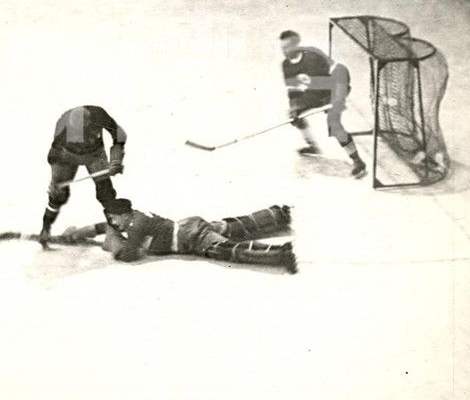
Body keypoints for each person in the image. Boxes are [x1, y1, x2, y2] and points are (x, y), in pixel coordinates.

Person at [60, 198, 298, 274]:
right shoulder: (134, 219)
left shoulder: (135, 225)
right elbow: (101, 227)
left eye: (114, 218)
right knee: (233, 226)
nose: (112, 222)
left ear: (124, 214)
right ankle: (277, 215)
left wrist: (113, 243)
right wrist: (77, 233)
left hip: (191, 238)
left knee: (226, 249)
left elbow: (129, 254)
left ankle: (281, 254)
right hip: (190, 227)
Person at [280, 30, 366, 178]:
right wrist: (295, 107)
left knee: (334, 123)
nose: (284, 52)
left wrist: (339, 97)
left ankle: (357, 161)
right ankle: (312, 146)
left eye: (287, 47)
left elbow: (338, 74)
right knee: (294, 116)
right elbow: (293, 91)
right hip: (314, 93)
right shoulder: (286, 65)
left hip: (331, 92)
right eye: (282, 48)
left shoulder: (313, 56)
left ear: (296, 45)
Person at [40, 105, 127, 247]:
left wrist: (116, 160)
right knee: (58, 195)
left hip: (94, 153)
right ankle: (45, 229)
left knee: (105, 192)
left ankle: (114, 231)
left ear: (90, 122)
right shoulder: (62, 126)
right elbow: (54, 156)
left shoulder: (99, 115)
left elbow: (119, 136)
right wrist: (55, 183)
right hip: (67, 154)